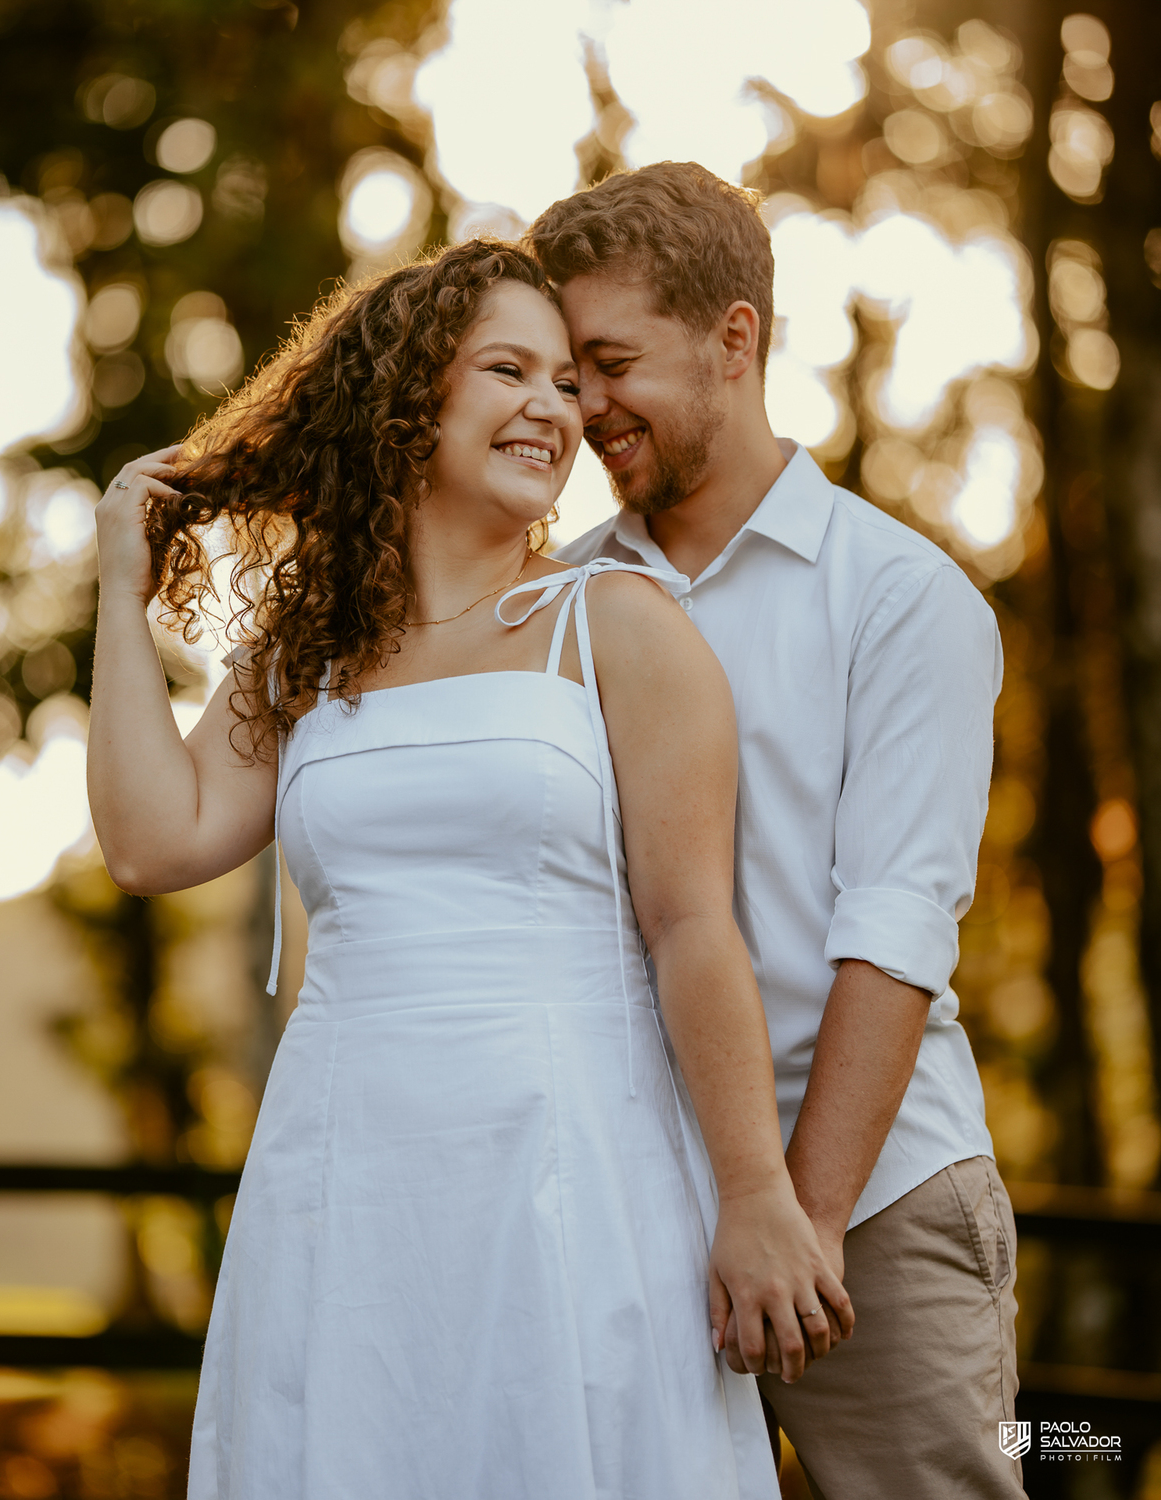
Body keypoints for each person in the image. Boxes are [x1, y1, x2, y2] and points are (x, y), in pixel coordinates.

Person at [86, 238, 852, 1500]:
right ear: (406, 398)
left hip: (570, 1165)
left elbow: (694, 931)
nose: (554, 408)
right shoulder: (307, 658)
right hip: (347, 1170)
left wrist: (754, 1194)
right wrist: (122, 589)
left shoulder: (615, 628)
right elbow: (149, 840)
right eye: (509, 369)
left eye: (566, 381)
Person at [530, 162, 1022, 1500]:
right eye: (568, 375)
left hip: (869, 1202)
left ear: (733, 337)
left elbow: (894, 933)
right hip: (623, 1199)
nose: (583, 409)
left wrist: (794, 1220)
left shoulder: (900, 601)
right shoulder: (545, 607)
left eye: (612, 361)